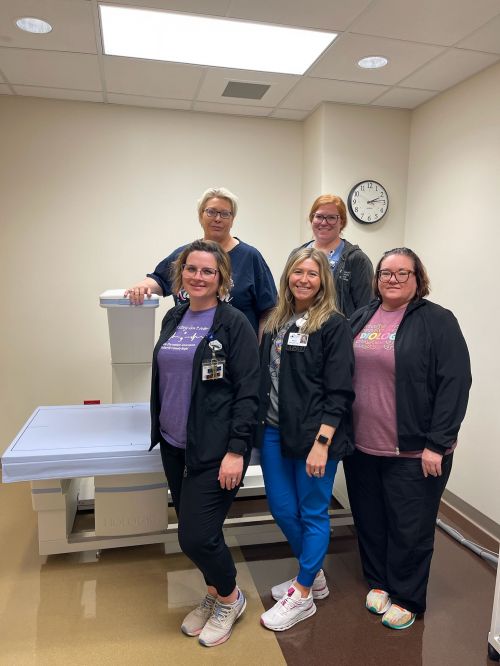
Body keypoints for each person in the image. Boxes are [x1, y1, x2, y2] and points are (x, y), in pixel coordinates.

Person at [345, 247, 472, 630]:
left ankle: (407, 597)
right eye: (386, 273)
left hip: (415, 448)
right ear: (376, 279)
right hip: (362, 446)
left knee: (410, 527)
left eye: (403, 273)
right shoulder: (362, 316)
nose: (393, 279)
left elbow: (455, 383)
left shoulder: (437, 321)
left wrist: (438, 443)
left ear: (418, 279)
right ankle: (379, 581)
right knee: (370, 519)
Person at [149, 239, 260, 647]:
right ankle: (214, 592)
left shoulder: (234, 323)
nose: (198, 276)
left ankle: (230, 598)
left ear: (221, 278)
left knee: (196, 536)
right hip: (174, 444)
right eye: (191, 269)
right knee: (198, 531)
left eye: (207, 271)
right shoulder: (174, 316)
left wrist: (236, 450)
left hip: (215, 449)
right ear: (181, 274)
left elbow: (249, 391)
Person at [255, 247, 355, 631]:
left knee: (312, 511)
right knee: (282, 509)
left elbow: (340, 390)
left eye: (313, 274)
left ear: (323, 281)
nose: (304, 279)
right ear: (288, 276)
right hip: (273, 431)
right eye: (298, 272)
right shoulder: (276, 320)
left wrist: (323, 442)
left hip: (315, 437)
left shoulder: (332, 324)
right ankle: (313, 576)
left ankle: (302, 593)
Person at [126, 187, 277, 335]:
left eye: (225, 214)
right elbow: (159, 280)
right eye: (211, 212)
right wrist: (143, 287)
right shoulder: (185, 254)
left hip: (236, 345)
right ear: (200, 216)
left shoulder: (250, 257)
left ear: (232, 220)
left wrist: (259, 348)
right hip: (188, 342)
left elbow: (269, 310)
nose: (217, 219)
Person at [295, 194, 373, 318]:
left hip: (339, 329)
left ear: (342, 222)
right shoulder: (297, 254)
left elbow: (365, 310)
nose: (324, 222)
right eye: (319, 216)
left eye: (331, 218)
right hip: (299, 326)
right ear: (312, 219)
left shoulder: (357, 260)